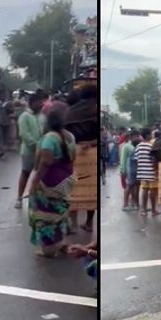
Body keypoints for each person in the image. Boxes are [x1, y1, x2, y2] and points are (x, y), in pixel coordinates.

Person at [27, 107, 76, 257]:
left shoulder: (49, 138)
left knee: (44, 214)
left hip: (50, 181)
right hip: (66, 179)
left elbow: (45, 163)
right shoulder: (70, 136)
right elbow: (73, 158)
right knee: (60, 211)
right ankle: (61, 242)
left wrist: (34, 182)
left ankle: (48, 249)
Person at [65, 86, 99, 233]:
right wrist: (91, 143)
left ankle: (73, 224)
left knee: (73, 191)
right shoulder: (95, 112)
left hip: (74, 154)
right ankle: (89, 223)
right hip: (92, 155)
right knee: (92, 192)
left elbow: (64, 135)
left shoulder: (70, 112)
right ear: (93, 98)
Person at [15, 92, 46, 208]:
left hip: (42, 151)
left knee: (40, 175)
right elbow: (24, 134)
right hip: (29, 151)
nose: (42, 104)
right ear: (32, 103)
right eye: (39, 102)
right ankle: (19, 198)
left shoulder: (43, 116)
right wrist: (36, 144)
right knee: (25, 172)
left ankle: (37, 199)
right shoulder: (25, 116)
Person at [134, 128, 159, 216]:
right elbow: (154, 160)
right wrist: (156, 170)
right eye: (151, 134)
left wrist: (140, 169)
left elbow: (136, 159)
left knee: (144, 190)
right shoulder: (152, 146)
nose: (152, 135)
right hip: (151, 172)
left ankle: (143, 210)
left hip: (142, 172)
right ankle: (153, 210)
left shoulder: (138, 146)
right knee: (153, 191)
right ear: (148, 135)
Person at [120, 130, 138, 211]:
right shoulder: (127, 146)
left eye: (138, 136)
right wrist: (123, 170)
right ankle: (125, 204)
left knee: (134, 187)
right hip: (129, 169)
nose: (137, 138)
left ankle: (134, 203)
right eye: (136, 136)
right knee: (128, 186)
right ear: (131, 137)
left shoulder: (137, 145)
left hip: (136, 170)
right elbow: (123, 158)